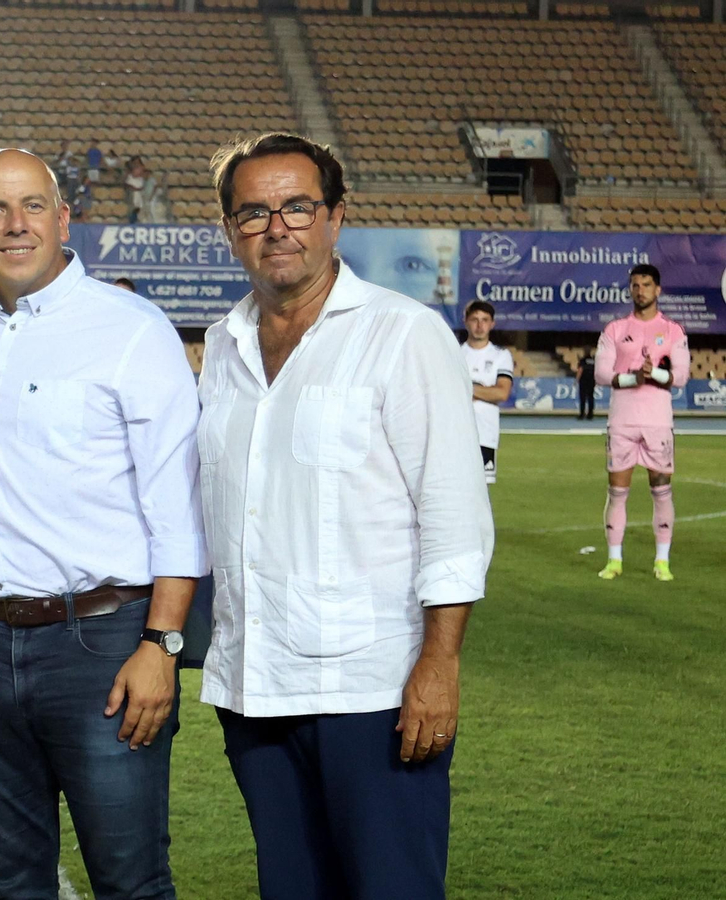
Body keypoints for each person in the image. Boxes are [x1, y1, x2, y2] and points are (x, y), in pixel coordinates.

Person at [199, 133, 493, 900]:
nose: (277, 228)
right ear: (229, 229)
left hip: (373, 694)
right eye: (254, 212)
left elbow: (454, 513)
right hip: (256, 691)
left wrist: (440, 665)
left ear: (335, 217)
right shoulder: (223, 345)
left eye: (297, 207)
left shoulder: (403, 333)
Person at [0, 148, 206, 899]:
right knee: (9, 884)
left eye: (33, 206)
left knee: (130, 882)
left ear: (64, 218)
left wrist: (162, 644)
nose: (15, 225)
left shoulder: (132, 329)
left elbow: (179, 508)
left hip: (102, 646)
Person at [593, 263, 688, 582]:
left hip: (657, 423)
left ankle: (662, 561)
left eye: (646, 285)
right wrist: (634, 378)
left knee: (661, 491)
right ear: (630, 289)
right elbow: (601, 373)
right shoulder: (615, 329)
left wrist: (654, 373)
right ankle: (614, 560)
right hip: (622, 422)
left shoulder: (673, 331)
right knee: (617, 492)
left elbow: (681, 376)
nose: (640, 290)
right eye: (635, 285)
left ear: (657, 289)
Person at [461, 300, 513, 485]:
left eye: (485, 320)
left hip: (485, 435)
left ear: (492, 323)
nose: (480, 325)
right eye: (475, 319)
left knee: (481, 492)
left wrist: (467, 389)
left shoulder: (501, 355)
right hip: (455, 434)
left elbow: (502, 393)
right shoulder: (454, 353)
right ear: (466, 321)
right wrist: (485, 391)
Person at [577, 352, 597, 420]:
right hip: (591, 380)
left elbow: (580, 370)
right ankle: (590, 414)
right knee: (590, 398)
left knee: (582, 398)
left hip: (583, 381)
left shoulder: (582, 360)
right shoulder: (594, 361)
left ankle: (582, 414)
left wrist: (577, 379)